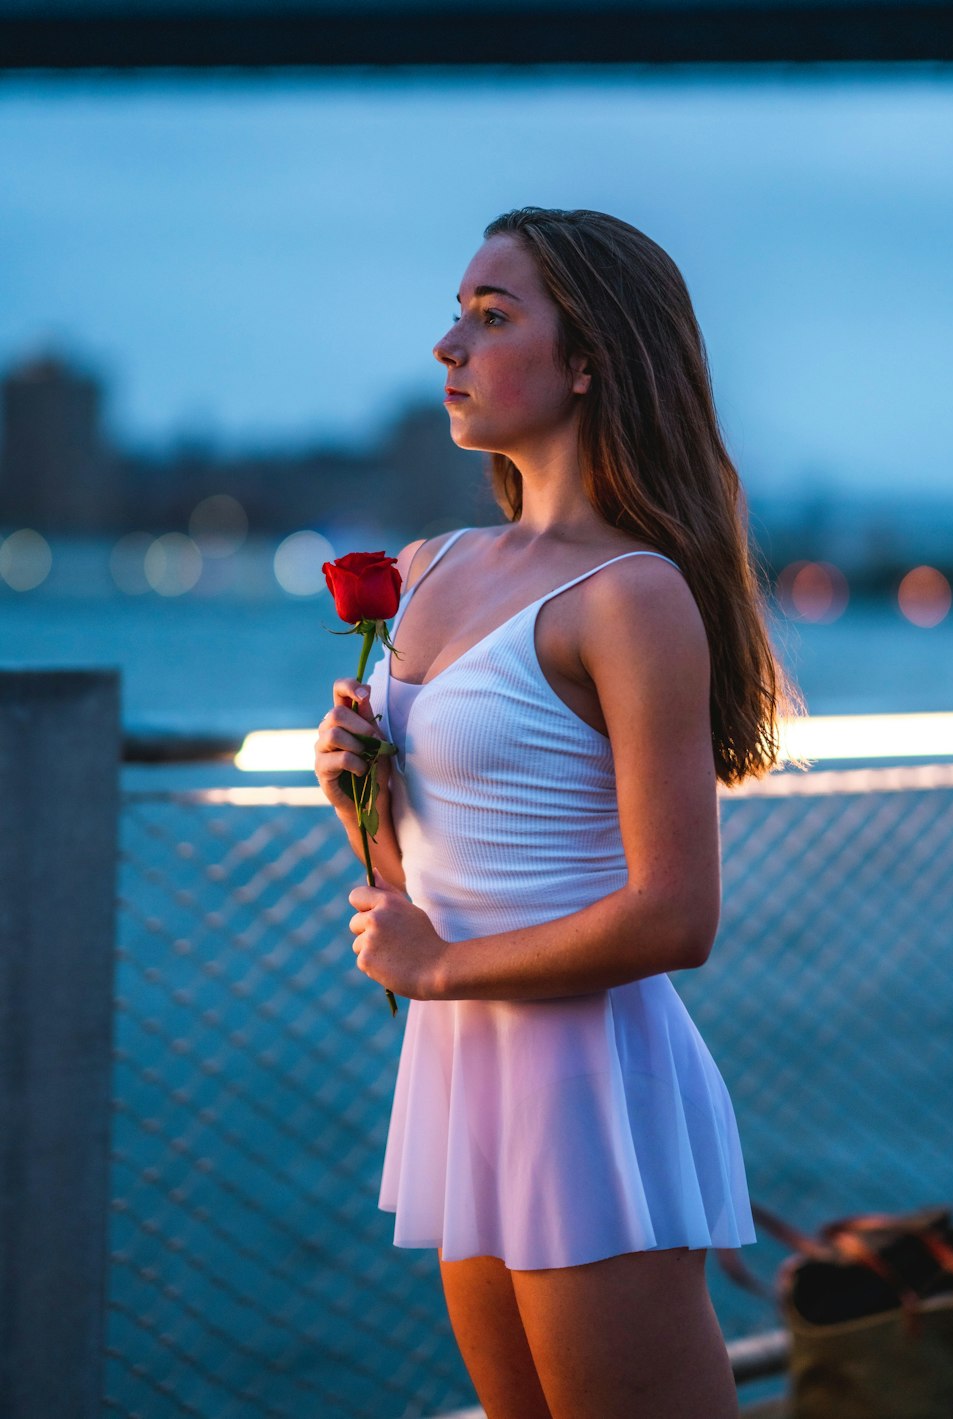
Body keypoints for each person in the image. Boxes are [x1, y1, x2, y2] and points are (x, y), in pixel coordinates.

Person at [313, 207, 794, 1419]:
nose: (447, 347)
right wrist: (355, 803)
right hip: (463, 1064)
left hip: (586, 1085)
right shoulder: (427, 566)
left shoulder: (630, 595)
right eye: (455, 312)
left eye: (489, 316)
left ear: (587, 361)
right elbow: (417, 885)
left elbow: (676, 917)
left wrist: (436, 968)